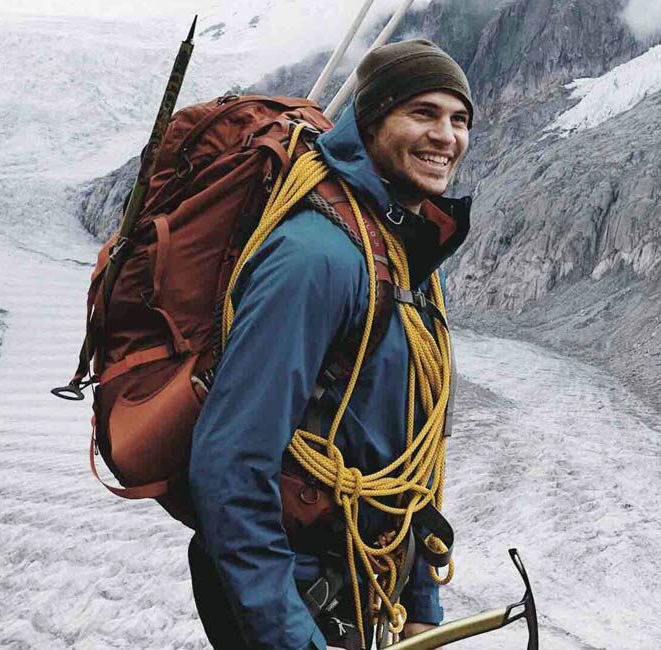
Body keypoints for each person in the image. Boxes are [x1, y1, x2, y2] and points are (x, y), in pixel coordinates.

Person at [185, 39, 473, 649]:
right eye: (422, 113)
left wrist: (421, 602)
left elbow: (411, 451)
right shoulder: (316, 258)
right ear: (370, 121)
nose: (445, 136)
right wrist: (290, 636)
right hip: (294, 596)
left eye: (459, 119)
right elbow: (232, 459)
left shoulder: (407, 250)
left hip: (358, 587)